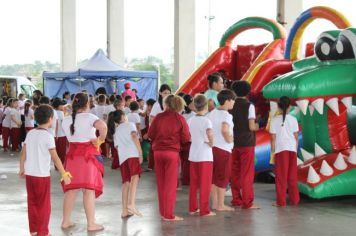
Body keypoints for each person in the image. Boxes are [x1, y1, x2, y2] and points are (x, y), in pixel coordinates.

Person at [19, 104, 72, 236]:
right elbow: (56, 158)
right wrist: (64, 174)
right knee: (44, 205)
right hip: (41, 176)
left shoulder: (30, 133)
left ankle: (34, 230)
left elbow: (22, 153)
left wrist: (21, 168)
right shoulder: (48, 136)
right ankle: (43, 232)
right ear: (50, 119)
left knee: (32, 203)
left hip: (29, 174)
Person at [61, 92, 107, 232]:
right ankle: (91, 224)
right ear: (88, 104)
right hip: (88, 158)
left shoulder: (66, 120)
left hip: (72, 158)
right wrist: (100, 140)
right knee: (88, 191)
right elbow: (103, 127)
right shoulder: (90, 117)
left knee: (71, 191)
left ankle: (65, 221)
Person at [148, 95, 190, 221]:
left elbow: (150, 134)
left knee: (161, 184)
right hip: (172, 153)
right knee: (171, 185)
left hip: (158, 152)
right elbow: (186, 138)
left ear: (166, 104)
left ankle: (163, 212)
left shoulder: (158, 117)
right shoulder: (180, 118)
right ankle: (169, 214)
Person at [108, 110, 143, 218]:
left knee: (126, 183)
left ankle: (124, 211)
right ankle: (131, 204)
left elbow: (117, 147)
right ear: (123, 117)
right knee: (135, 178)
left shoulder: (116, 131)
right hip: (132, 155)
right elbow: (134, 136)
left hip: (123, 158)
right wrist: (140, 152)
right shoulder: (130, 124)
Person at [230, 81, 259, 209]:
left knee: (234, 172)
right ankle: (247, 202)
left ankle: (236, 199)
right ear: (247, 92)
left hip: (232, 143)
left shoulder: (230, 105)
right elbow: (251, 126)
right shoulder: (249, 106)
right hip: (247, 143)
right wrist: (259, 126)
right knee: (246, 173)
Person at [208, 89, 236, 211]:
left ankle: (215, 203)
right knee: (223, 177)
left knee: (214, 178)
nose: (234, 103)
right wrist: (230, 139)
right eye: (233, 100)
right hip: (223, 149)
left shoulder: (212, 113)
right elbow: (225, 130)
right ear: (228, 100)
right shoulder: (227, 115)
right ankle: (221, 205)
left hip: (212, 148)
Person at [188, 94, 215, 217]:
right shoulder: (206, 120)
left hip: (193, 154)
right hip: (205, 155)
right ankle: (204, 210)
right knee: (205, 184)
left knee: (194, 183)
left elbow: (188, 136)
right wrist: (211, 143)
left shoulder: (191, 119)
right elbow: (209, 134)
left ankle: (193, 208)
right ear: (205, 106)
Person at [270, 96, 300, 207]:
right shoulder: (293, 119)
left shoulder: (274, 120)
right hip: (292, 149)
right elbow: (296, 136)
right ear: (289, 107)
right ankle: (295, 200)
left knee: (281, 177)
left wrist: (272, 152)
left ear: (278, 106)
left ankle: (281, 202)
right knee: (292, 177)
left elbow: (273, 138)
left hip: (281, 150)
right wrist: (295, 149)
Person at [148, 84, 171, 170]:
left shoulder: (169, 103)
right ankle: (154, 166)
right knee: (156, 149)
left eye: (169, 93)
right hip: (158, 132)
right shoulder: (157, 105)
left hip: (166, 131)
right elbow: (151, 119)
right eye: (165, 93)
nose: (167, 95)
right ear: (160, 93)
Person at [180, 94, 195, 186]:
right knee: (187, 161)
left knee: (184, 161)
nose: (193, 105)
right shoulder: (193, 115)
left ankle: (184, 178)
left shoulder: (180, 114)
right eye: (192, 103)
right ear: (187, 104)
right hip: (189, 140)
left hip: (181, 140)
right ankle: (187, 179)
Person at [52, 98, 68, 165]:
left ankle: (56, 165)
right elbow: (63, 124)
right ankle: (62, 165)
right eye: (62, 105)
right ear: (58, 106)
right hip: (61, 134)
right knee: (62, 152)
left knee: (57, 151)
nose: (63, 106)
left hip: (54, 135)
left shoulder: (52, 112)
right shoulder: (61, 113)